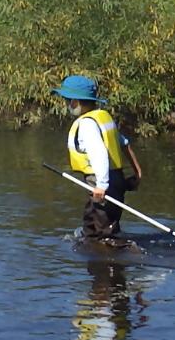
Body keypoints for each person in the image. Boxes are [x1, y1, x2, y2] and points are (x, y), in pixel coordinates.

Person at [52, 74, 146, 242]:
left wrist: (101, 186)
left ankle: (109, 257)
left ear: (75, 102)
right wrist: (137, 172)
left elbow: (99, 153)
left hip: (101, 181)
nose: (67, 105)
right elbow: (125, 143)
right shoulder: (103, 117)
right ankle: (94, 240)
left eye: (67, 101)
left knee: (102, 226)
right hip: (117, 178)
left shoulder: (87, 125)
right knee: (93, 218)